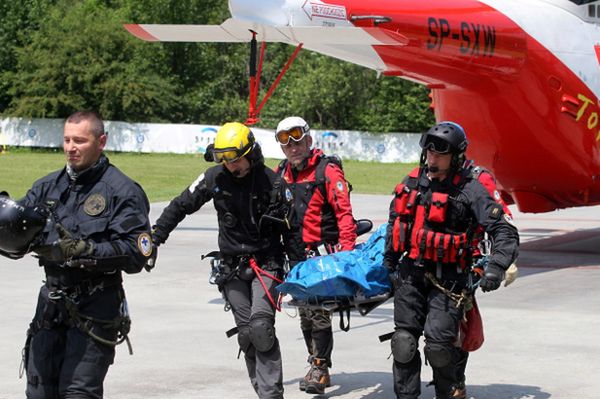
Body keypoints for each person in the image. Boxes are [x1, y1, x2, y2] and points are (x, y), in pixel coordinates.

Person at [0, 111, 153, 399]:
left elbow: (137, 252)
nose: (71, 147)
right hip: (51, 305)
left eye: (80, 140)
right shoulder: (47, 186)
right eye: (67, 140)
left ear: (101, 141)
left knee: (78, 393)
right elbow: (17, 228)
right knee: (39, 392)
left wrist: (86, 251)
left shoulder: (123, 191)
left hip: (96, 307)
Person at [151, 122, 304, 399]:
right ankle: (263, 392)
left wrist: (300, 271)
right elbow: (180, 205)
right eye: (223, 160)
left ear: (251, 153)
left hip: (266, 265)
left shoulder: (274, 184)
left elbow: (292, 232)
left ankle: (272, 396)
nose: (230, 166)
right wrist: (156, 237)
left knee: (261, 328)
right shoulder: (213, 178)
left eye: (235, 160)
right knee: (246, 333)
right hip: (231, 267)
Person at [383, 121, 519, 399]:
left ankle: (450, 391)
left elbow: (504, 231)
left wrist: (496, 267)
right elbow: (395, 224)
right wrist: (388, 264)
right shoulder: (412, 182)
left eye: (440, 154)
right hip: (411, 275)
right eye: (429, 153)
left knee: (438, 346)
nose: (432, 159)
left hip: (449, 279)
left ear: (455, 156)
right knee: (404, 342)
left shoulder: (471, 189)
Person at [274, 116, 357, 395]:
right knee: (305, 314)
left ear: (309, 141)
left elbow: (345, 216)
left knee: (319, 312)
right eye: (287, 144)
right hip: (294, 256)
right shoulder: (280, 173)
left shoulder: (328, 171)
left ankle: (319, 367)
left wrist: (346, 257)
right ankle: (317, 363)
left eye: (298, 141)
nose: (293, 148)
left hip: (322, 256)